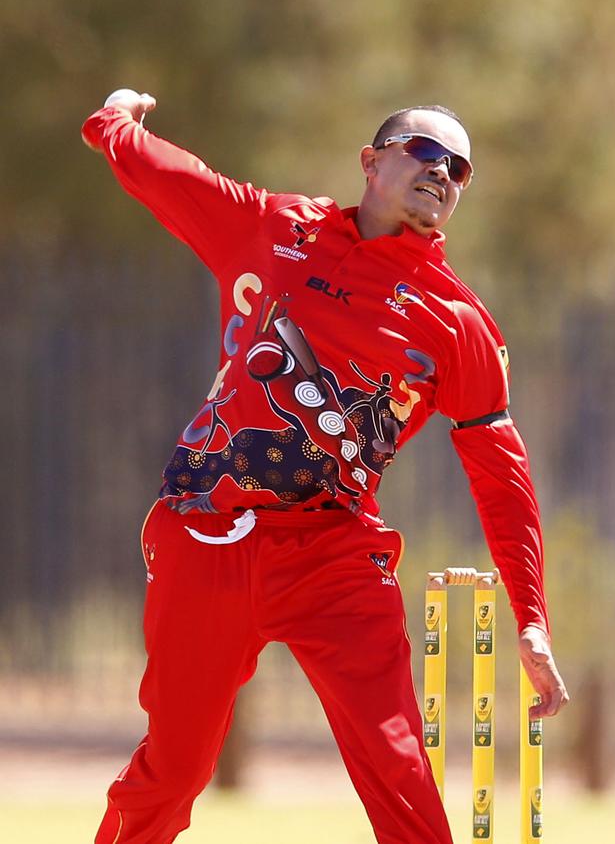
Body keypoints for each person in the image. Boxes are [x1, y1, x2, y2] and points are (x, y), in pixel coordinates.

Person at [82, 91, 569, 844]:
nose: (444, 173)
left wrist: (532, 619)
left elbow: (501, 476)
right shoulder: (276, 230)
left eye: (461, 169)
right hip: (211, 532)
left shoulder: (456, 322)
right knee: (174, 772)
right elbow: (166, 175)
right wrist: (116, 119)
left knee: (400, 770)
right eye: (425, 151)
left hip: (336, 554)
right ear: (371, 163)